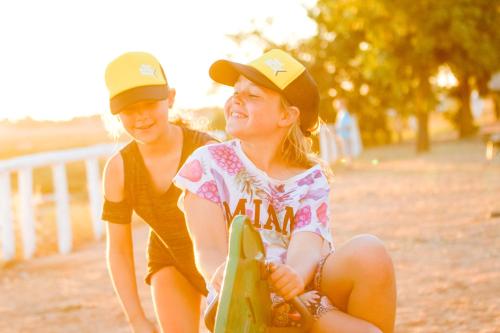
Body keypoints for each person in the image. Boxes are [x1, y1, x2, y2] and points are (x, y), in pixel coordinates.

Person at [173, 49, 396, 332]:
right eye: (235, 91)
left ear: (286, 116)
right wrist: (220, 273)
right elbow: (208, 249)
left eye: (253, 96)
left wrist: (293, 278)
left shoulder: (309, 178)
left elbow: (307, 248)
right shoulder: (207, 164)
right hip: (243, 302)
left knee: (370, 251)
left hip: (300, 293)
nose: (236, 100)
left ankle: (299, 312)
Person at [102, 52, 215, 333]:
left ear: (170, 97)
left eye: (150, 104)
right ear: (116, 113)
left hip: (221, 261)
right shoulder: (119, 169)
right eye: (129, 109)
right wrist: (136, 318)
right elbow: (118, 249)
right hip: (171, 259)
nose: (141, 117)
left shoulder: (208, 152)